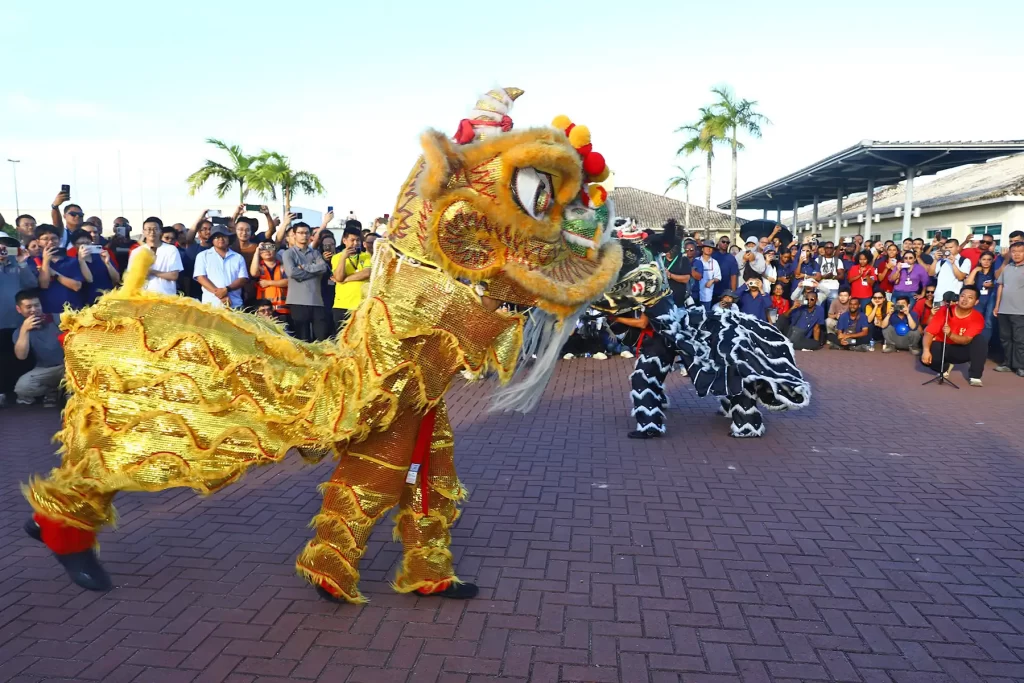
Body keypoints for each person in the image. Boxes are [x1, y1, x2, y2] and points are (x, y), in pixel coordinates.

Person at [921, 286, 986, 387]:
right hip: (945, 347)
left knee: (980, 340)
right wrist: (926, 351)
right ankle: (945, 368)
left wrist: (951, 334)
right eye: (962, 296)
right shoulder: (944, 310)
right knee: (930, 351)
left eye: (970, 298)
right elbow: (929, 332)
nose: (964, 300)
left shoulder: (978, 318)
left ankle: (975, 376)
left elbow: (966, 340)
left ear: (976, 302)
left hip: (963, 350)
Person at [0, 237, 38, 405]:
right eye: (2, 249)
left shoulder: (19, 265)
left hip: (18, 323)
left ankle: (17, 392)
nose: (5, 252)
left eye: (8, 249)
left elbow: (32, 284)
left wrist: (22, 262)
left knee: (20, 358)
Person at [12, 288, 65, 407]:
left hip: (67, 366)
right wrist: (24, 330)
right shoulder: (19, 332)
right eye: (29, 307)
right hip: (44, 369)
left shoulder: (57, 318)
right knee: (22, 388)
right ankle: (52, 391)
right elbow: (21, 356)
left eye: (37, 305)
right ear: (19, 309)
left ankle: (62, 392)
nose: (34, 310)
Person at [280, 220, 330, 341]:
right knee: (303, 339)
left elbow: (323, 268)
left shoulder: (316, 253)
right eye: (301, 233)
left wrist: (304, 268)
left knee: (321, 337)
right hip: (298, 301)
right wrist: (314, 272)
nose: (304, 235)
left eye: (307, 233)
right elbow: (291, 272)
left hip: (316, 301)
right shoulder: (288, 253)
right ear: (294, 234)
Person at [32, 224, 87, 314]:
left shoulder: (72, 261)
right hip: (48, 312)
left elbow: (77, 286)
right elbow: (44, 285)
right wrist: (45, 262)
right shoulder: (33, 261)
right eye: (45, 239)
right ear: (38, 241)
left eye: (54, 238)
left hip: (73, 311)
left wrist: (54, 273)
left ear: (59, 240)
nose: (50, 242)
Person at [193, 225, 249, 308]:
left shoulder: (238, 257)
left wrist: (226, 289)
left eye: (224, 236)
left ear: (229, 238)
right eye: (217, 237)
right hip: (211, 305)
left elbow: (243, 279)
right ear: (212, 240)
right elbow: (201, 278)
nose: (221, 239)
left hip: (235, 303)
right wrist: (221, 295)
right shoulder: (202, 256)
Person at [330, 227, 373, 330]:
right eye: (352, 240)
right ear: (344, 241)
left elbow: (367, 273)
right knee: (342, 340)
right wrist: (343, 258)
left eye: (358, 240)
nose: (355, 243)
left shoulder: (366, 256)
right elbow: (339, 276)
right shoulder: (337, 257)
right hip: (342, 305)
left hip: (361, 305)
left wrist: (345, 279)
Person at [127, 218, 182, 296]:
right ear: (143, 232)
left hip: (166, 297)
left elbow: (174, 275)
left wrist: (151, 272)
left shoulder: (171, 249)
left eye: (155, 229)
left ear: (160, 231)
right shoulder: (136, 251)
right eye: (148, 229)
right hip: (142, 298)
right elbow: (131, 276)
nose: (152, 232)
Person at [993, 241, 1024, 376]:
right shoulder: (1007, 268)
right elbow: (1000, 286)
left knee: (1019, 340)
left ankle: (1020, 366)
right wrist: (997, 305)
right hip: (1004, 309)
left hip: (1020, 310)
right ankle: (1007, 363)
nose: (1016, 254)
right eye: (1014, 251)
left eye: (1020, 251)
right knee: (1005, 338)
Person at [69, 229, 120, 304]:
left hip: (108, 300)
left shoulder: (100, 256)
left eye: (88, 242)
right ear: (74, 245)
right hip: (87, 303)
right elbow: (89, 279)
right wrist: (81, 260)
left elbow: (116, 279)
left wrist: (107, 263)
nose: (86, 246)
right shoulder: (73, 262)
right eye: (81, 244)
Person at [251, 241, 290, 321]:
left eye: (270, 248)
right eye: (263, 249)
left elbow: (288, 282)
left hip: (282, 309)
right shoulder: (259, 267)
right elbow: (254, 273)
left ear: (275, 250)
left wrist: (268, 283)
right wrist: (256, 252)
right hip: (264, 310)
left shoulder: (283, 266)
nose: (267, 251)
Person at [929, 238, 969, 309]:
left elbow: (961, 277)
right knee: (937, 318)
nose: (948, 250)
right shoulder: (942, 261)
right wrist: (935, 259)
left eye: (951, 247)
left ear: (958, 248)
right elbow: (931, 273)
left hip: (953, 298)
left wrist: (953, 264)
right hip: (938, 297)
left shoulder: (964, 260)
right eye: (946, 248)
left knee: (951, 318)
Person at [966, 252, 998, 341]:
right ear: (980, 260)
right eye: (984, 259)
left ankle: (984, 344)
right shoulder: (977, 273)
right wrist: (975, 270)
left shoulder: (994, 273)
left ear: (992, 261)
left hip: (990, 301)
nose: (986, 262)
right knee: (976, 322)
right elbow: (968, 283)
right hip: (978, 301)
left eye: (989, 259)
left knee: (988, 323)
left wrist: (992, 284)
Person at [693, 240, 721, 311]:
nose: (709, 249)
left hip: (707, 295)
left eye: (711, 248)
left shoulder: (714, 262)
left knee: (706, 315)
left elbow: (718, 277)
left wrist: (712, 281)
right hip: (694, 294)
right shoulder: (695, 260)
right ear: (702, 249)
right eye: (707, 247)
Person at [664, 239, 692, 307]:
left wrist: (670, 275)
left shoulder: (683, 259)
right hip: (662, 299)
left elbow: (686, 279)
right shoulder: (660, 258)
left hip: (678, 299)